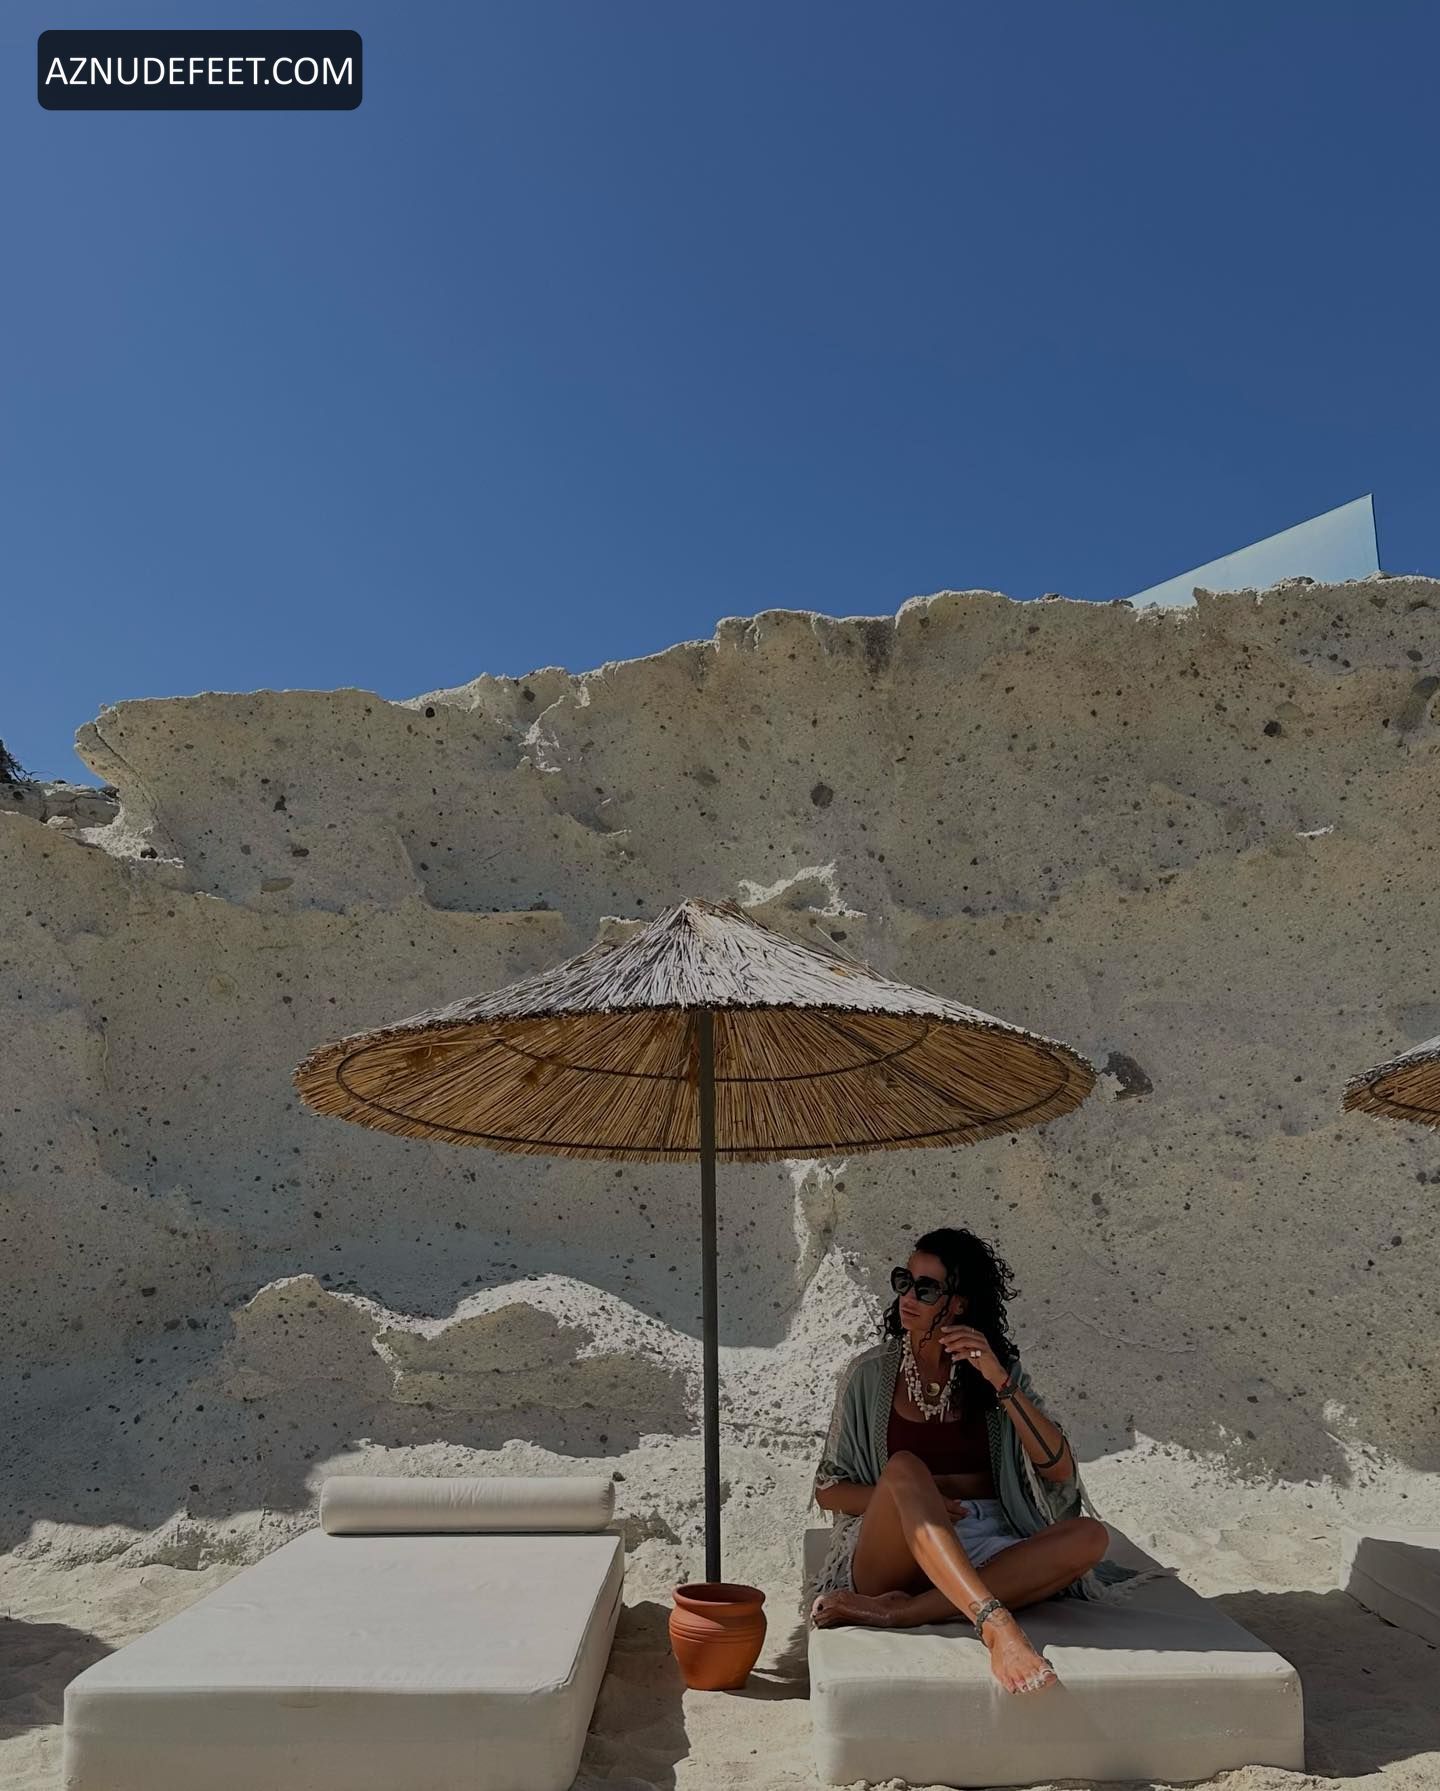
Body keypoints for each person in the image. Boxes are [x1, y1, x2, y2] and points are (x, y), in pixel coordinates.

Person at [810, 1227, 1118, 1695]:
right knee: (906, 1468)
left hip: (987, 1541)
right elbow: (829, 1490)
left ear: (959, 1304)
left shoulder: (997, 1374)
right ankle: (996, 1625)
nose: (907, 1297)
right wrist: (915, 1500)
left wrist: (998, 1379)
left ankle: (905, 1611)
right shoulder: (868, 1375)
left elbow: (1058, 1470)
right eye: (903, 1282)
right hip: (895, 1547)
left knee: (1091, 1537)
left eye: (926, 1289)